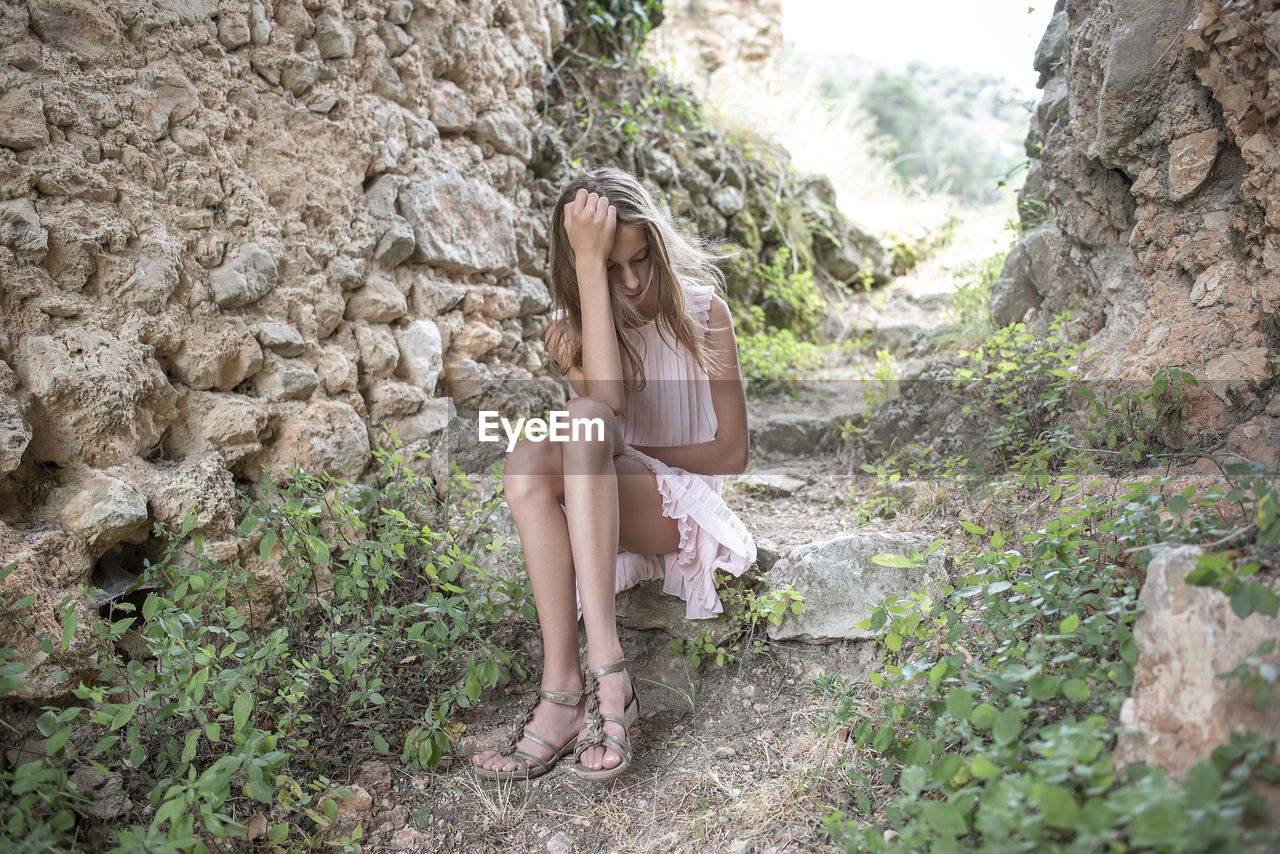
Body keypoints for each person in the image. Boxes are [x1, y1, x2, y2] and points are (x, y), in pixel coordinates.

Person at [471, 167, 756, 783]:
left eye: (641, 260)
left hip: (674, 506)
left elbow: (731, 452)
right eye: (609, 268)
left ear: (658, 244)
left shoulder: (707, 313)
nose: (630, 283)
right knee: (527, 456)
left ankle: (607, 668)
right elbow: (605, 413)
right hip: (608, 493)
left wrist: (625, 453)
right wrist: (585, 279)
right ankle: (563, 685)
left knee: (583, 426)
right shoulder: (584, 323)